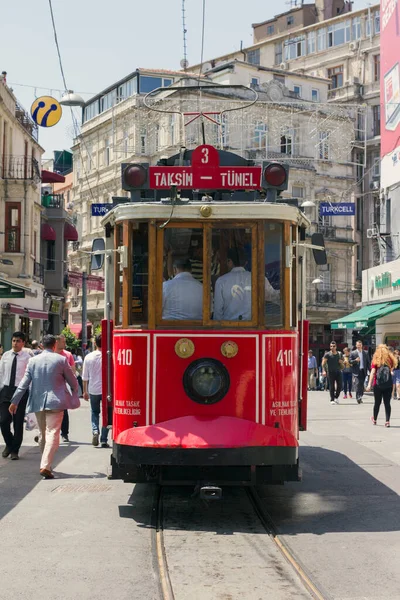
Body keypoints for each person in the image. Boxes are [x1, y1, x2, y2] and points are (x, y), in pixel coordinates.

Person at [9, 334, 79, 479]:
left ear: (42, 345)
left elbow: (24, 383)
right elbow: (73, 381)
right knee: (53, 432)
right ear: (54, 345)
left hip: (38, 402)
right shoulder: (61, 360)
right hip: (56, 402)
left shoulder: (33, 361)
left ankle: (45, 463)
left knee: (42, 434)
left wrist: (14, 401)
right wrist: (74, 392)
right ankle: (46, 465)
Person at [213, 248, 279, 321]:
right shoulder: (259, 279)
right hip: (253, 328)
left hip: (229, 329)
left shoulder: (221, 281)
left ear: (229, 261)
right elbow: (274, 296)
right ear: (246, 263)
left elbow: (217, 314)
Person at [0, 331, 30, 460]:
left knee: (18, 422)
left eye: (18, 341)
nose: (15, 343)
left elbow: (29, 377)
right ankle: (9, 443)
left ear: (23, 343)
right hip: (6, 390)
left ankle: (15, 450)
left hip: (20, 391)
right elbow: (1, 373)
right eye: (13, 340)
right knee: (3, 420)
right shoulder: (6, 355)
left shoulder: (27, 358)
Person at [82, 334, 110, 448]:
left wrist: (84, 391)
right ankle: (104, 439)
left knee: (95, 412)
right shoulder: (109, 356)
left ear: (95, 343)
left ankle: (95, 431)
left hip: (93, 389)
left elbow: (85, 377)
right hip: (107, 390)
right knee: (106, 414)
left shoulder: (89, 357)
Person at [366, 344, 397, 427]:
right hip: (388, 384)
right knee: (387, 403)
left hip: (377, 384)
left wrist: (369, 384)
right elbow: (392, 369)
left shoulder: (376, 359)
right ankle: (387, 421)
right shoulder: (390, 359)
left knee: (377, 403)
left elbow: (372, 372)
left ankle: (375, 419)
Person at [56, 334, 76, 442]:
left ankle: (64, 433)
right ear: (57, 342)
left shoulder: (68, 355)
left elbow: (73, 371)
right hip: (53, 385)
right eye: (63, 342)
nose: (65, 344)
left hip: (64, 385)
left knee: (64, 410)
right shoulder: (52, 354)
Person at [350, 340, 371, 404]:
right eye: (358, 345)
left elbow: (368, 362)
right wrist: (355, 360)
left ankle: (360, 396)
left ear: (362, 346)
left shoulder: (366, 353)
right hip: (356, 371)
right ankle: (358, 397)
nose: (359, 346)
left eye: (360, 345)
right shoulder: (353, 353)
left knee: (362, 385)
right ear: (356, 346)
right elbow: (350, 361)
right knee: (358, 384)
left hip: (363, 371)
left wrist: (370, 370)